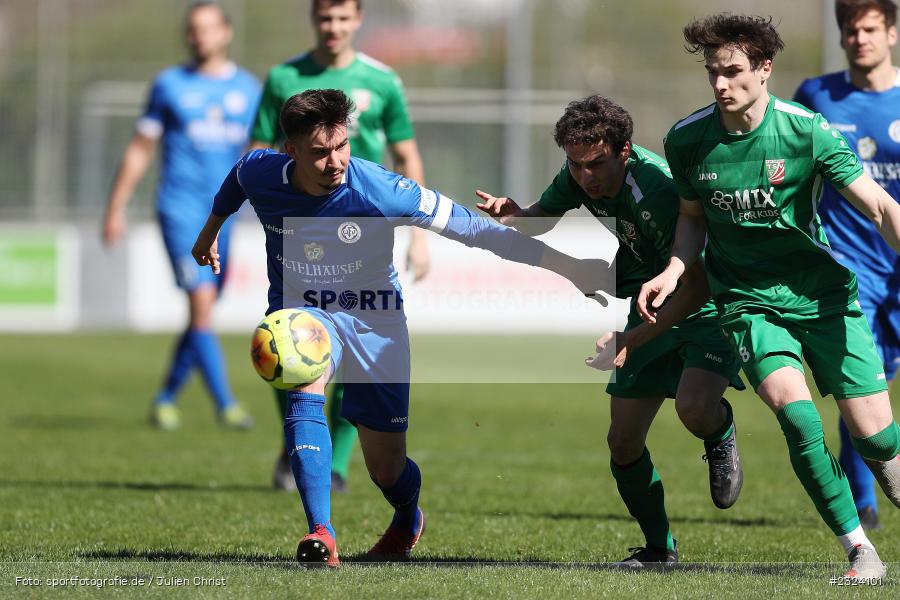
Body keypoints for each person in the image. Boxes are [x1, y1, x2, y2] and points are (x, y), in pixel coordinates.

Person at [191, 88, 609, 566]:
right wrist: (208, 233)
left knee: (386, 468)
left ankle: (408, 514)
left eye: (342, 146)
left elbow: (477, 230)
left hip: (376, 321)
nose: (335, 162)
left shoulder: (379, 188)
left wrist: (570, 267)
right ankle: (320, 533)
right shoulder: (263, 171)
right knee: (305, 380)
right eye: (320, 153)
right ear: (292, 152)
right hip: (306, 313)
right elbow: (237, 178)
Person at [637, 13, 900, 581]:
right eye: (712, 73)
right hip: (747, 300)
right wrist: (673, 269)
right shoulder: (687, 140)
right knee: (797, 417)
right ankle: (861, 551)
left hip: (821, 294)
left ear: (764, 69)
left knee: (880, 440)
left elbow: (880, 207)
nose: (720, 85)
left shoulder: (807, 130)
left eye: (732, 72)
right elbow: (690, 221)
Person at [475, 95, 744, 567]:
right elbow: (542, 220)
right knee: (622, 441)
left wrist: (632, 338)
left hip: (704, 305)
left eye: (596, 164)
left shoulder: (658, 189)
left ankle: (719, 429)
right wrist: (515, 214)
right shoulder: (581, 174)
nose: (585, 176)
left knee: (695, 410)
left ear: (624, 151)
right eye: (575, 165)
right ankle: (660, 549)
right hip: (648, 303)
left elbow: (696, 285)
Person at [250, 0, 430, 492]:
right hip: (302, 227)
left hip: (364, 232)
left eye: (343, 18)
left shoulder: (383, 80)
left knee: (358, 348)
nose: (334, 27)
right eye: (325, 18)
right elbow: (258, 151)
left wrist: (417, 237)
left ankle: (336, 464)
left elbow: (406, 156)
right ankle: (297, 450)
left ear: (358, 20)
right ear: (314, 20)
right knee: (287, 338)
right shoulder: (283, 77)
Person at [102, 0, 259, 430]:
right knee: (202, 304)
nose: (200, 36)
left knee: (202, 312)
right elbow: (140, 148)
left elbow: (257, 154)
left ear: (226, 32)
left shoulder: (249, 90)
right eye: (193, 29)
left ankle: (166, 395)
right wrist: (115, 207)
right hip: (180, 209)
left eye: (208, 28)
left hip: (225, 214)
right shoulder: (169, 85)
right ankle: (226, 405)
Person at [793, 0, 900, 532]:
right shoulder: (816, 95)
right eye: (850, 30)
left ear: (892, 33)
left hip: (898, 261)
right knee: (861, 383)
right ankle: (864, 500)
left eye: (871, 29)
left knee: (886, 375)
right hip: (849, 262)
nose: (860, 39)